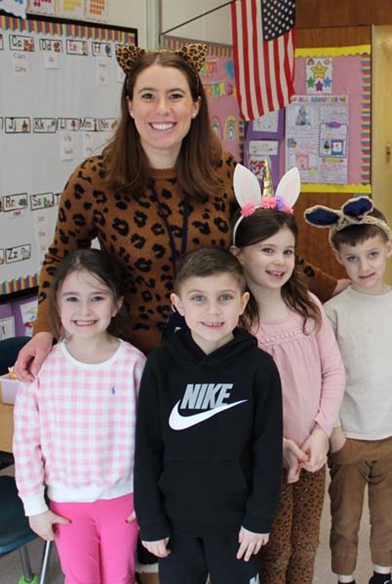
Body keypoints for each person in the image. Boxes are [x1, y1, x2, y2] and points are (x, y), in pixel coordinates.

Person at [11, 44, 339, 581]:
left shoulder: (222, 174)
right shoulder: (94, 178)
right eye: (148, 96)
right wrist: (46, 329)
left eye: (175, 96)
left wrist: (333, 286)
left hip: (216, 355)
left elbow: (266, 250)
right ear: (130, 104)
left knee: (213, 481)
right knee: (145, 505)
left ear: (194, 106)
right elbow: (60, 257)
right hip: (135, 366)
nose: (162, 108)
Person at [133, 246, 283, 584]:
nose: (213, 311)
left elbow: (268, 450)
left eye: (225, 297)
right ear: (178, 304)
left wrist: (259, 518)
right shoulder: (160, 366)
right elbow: (146, 450)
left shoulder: (259, 368)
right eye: (198, 298)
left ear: (243, 303)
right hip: (176, 525)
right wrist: (150, 521)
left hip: (237, 526)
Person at [230, 163, 346, 584]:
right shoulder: (236, 321)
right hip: (264, 459)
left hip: (312, 453)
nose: (279, 261)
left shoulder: (308, 307)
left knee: (305, 544)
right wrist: (272, 445)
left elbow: (333, 371)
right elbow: (233, 400)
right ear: (238, 253)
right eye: (266, 249)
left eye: (287, 251)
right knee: (272, 550)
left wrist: (320, 431)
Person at [304, 196, 392, 584]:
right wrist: (333, 429)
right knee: (344, 518)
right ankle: (345, 577)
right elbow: (327, 375)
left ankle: (382, 574)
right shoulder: (334, 311)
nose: (364, 266)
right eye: (353, 257)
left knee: (390, 514)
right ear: (339, 258)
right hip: (348, 438)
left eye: (372, 254)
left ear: (388, 248)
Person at [13, 249, 146, 584]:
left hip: (124, 498)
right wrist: (33, 505)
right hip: (65, 503)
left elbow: (153, 437)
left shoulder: (133, 362)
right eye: (72, 298)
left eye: (97, 298)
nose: (84, 310)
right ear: (56, 305)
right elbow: (26, 442)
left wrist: (150, 496)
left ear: (116, 304)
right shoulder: (43, 368)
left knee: (121, 577)